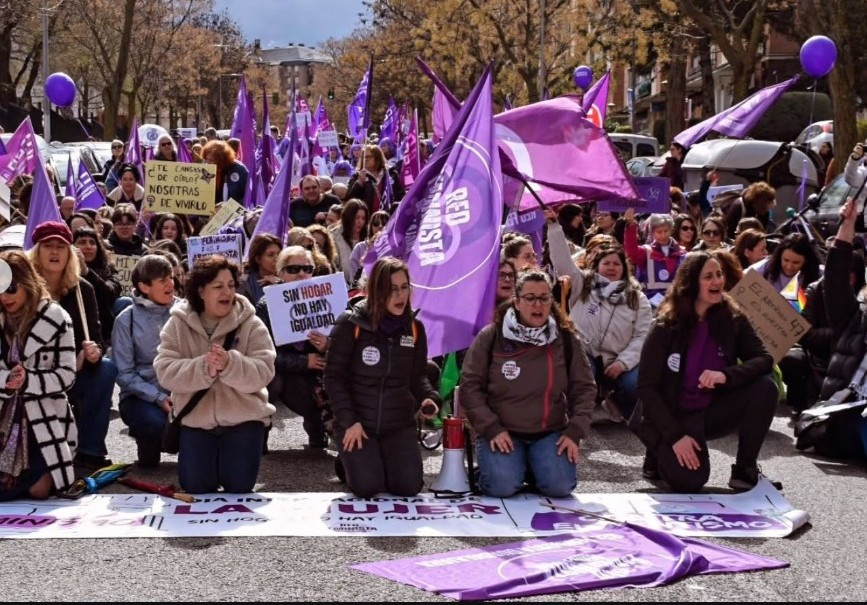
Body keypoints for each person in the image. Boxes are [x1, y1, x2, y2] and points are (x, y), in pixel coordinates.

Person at [635, 251, 777, 492]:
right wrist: (675, 436)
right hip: (674, 415)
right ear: (691, 284)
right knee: (689, 482)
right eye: (708, 276)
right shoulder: (665, 326)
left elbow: (765, 359)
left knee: (765, 387)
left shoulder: (733, 318)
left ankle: (745, 469)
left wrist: (727, 375)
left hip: (710, 410)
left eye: (719, 274)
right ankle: (657, 449)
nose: (717, 282)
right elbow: (647, 389)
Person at [460, 269, 596, 498]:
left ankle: (533, 467)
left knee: (560, 487)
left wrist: (575, 430)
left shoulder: (565, 338)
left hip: (548, 432)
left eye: (544, 298)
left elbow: (584, 387)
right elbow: (470, 386)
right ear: (516, 301)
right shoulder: (492, 335)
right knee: (501, 487)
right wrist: (491, 428)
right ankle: (508, 468)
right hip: (502, 432)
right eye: (530, 298)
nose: (538, 305)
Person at [154, 255, 276, 493]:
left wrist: (231, 364)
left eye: (231, 285)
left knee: (239, 487)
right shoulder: (177, 323)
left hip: (244, 420)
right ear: (201, 291)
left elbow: (265, 371)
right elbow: (164, 371)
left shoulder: (252, 324)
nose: (227, 293)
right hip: (196, 422)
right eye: (218, 287)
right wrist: (203, 368)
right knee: (196, 487)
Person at [323, 257, 440, 497]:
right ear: (378, 291)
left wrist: (429, 397)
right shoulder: (350, 323)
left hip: (397, 424)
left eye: (404, 287)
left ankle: (378, 459)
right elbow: (333, 377)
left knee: (408, 487)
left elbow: (417, 376)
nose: (400, 295)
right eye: (392, 289)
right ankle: (348, 462)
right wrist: (349, 420)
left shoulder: (415, 328)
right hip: (357, 423)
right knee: (368, 487)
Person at [29, 222, 118, 469]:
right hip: (32, 374)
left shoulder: (83, 289)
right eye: (48, 246)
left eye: (61, 246)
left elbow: (97, 338)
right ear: (37, 251)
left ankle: (90, 451)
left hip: (76, 372)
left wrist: (93, 354)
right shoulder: (24, 290)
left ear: (70, 253)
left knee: (107, 369)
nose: (55, 252)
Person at [548, 210, 652, 420]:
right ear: (596, 266)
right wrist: (554, 227)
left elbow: (642, 336)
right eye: (607, 263)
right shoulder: (582, 285)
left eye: (616, 264)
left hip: (619, 359)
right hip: (586, 353)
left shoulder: (637, 297)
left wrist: (623, 363)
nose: (612, 268)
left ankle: (617, 402)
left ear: (625, 268)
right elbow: (562, 263)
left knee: (638, 385)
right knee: (582, 378)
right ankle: (570, 422)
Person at [0, 251, 77, 501]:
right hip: (4, 412)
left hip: (44, 413)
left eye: (11, 288)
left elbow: (67, 375)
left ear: (27, 282)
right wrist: (6, 380)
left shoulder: (57, 318)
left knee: (39, 490)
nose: (4, 296)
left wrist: (29, 380)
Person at [256, 246, 330, 450]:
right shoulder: (266, 305)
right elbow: (263, 353)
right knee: (271, 380)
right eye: (293, 269)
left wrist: (327, 346)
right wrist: (305, 361)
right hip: (281, 372)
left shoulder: (326, 298)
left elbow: (345, 346)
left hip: (315, 374)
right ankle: (259, 433)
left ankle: (319, 426)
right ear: (280, 273)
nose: (301, 274)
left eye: (307, 268)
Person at [112, 255, 176, 467]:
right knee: (152, 423)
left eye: (171, 278)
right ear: (144, 286)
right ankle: (148, 445)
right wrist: (157, 397)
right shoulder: (125, 320)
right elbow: (124, 373)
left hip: (182, 391)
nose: (170, 284)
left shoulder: (185, 311)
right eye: (162, 280)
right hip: (140, 396)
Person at [73, 226, 126, 342]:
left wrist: (86, 271)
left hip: (103, 327)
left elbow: (109, 293)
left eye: (92, 243)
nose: (88, 247)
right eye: (82, 242)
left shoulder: (108, 269)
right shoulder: (65, 272)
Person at [623, 210, 685, 303]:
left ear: (671, 230)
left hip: (675, 303)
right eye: (659, 232)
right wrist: (631, 225)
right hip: (649, 303)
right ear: (652, 232)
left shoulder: (682, 253)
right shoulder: (646, 252)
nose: (663, 235)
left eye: (666, 231)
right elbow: (631, 251)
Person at [749, 232, 822, 294]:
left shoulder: (818, 275)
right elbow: (743, 280)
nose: (789, 267)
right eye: (786, 260)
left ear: (806, 261)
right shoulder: (766, 267)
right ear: (779, 256)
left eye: (796, 262)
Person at [346, 145, 404, 213]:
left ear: (377, 158)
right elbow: (349, 199)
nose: (365, 159)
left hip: (389, 215)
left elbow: (400, 195)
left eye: (369, 157)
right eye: (363, 157)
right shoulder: (356, 176)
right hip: (368, 218)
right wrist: (359, 183)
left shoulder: (391, 174)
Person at [237, 234, 282, 305]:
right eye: (271, 255)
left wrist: (280, 284)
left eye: (279, 253)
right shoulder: (243, 283)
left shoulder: (288, 276)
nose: (277, 258)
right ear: (258, 259)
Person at [332, 199, 368, 285]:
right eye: (356, 218)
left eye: (363, 218)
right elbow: (334, 267)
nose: (360, 222)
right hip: (343, 286)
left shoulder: (368, 237)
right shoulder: (334, 236)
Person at [202, 140, 248, 206]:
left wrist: (230, 208)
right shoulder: (205, 170)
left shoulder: (239, 170)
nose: (208, 163)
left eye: (211, 160)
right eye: (206, 159)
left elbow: (248, 196)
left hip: (234, 214)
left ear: (222, 159)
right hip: (210, 214)